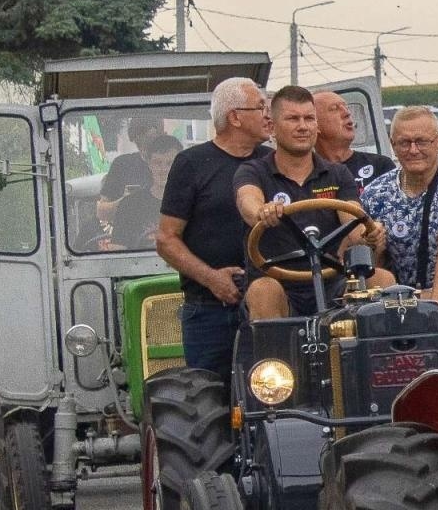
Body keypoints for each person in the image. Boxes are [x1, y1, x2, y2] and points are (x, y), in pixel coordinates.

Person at [234, 85, 390, 321]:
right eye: (292, 119)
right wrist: (262, 211)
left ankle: (375, 356)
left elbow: (354, 221)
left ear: (317, 126)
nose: (302, 126)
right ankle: (275, 357)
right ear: (272, 127)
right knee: (263, 290)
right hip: (278, 284)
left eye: (309, 118)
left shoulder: (338, 174)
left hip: (333, 284)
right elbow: (248, 202)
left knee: (382, 280)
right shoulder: (253, 171)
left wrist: (371, 234)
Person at [155, 77, 273, 382]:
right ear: (234, 117)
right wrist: (212, 279)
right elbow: (167, 239)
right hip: (211, 310)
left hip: (270, 303)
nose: (267, 115)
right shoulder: (192, 164)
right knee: (210, 399)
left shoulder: (272, 161)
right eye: (260, 107)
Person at [360, 106, 438, 323]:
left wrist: (434, 310)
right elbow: (372, 266)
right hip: (397, 296)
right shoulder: (375, 194)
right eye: (404, 143)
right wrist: (375, 246)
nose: (413, 150)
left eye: (421, 141)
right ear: (392, 145)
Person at [313, 91, 395, 194]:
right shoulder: (303, 176)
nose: (347, 113)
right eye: (334, 109)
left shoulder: (381, 166)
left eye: (346, 107)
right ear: (314, 124)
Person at [110, 134, 180, 249]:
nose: (164, 170)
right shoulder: (128, 206)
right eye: (158, 163)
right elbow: (118, 254)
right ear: (149, 164)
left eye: (170, 163)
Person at [96, 116, 162, 227]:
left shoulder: (179, 165)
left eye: (152, 141)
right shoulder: (122, 165)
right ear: (134, 139)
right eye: (141, 141)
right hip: (131, 241)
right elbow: (101, 212)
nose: (146, 148)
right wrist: (125, 202)